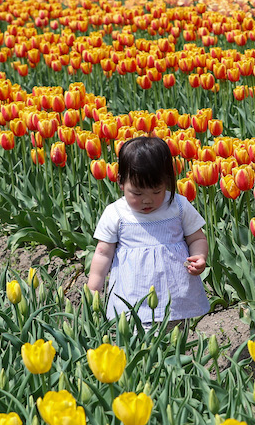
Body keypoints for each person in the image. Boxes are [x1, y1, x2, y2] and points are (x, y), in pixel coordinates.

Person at [87, 136, 210, 328]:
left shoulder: (178, 206)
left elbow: (197, 237)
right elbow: (103, 252)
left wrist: (199, 256)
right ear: (120, 182)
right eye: (137, 193)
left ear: (167, 181)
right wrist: (94, 285)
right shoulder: (116, 213)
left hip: (175, 297)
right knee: (139, 344)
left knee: (173, 342)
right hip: (132, 297)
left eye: (156, 192)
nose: (147, 200)